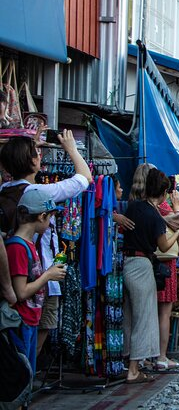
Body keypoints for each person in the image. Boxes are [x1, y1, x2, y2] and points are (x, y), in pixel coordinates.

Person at [0, 130, 91, 353]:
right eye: (36, 154)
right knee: (37, 330)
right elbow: (84, 178)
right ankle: (25, 378)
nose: (40, 156)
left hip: (10, 269)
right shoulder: (38, 192)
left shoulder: (4, 190)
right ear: (32, 161)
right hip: (39, 273)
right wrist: (70, 148)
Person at [122, 167, 179, 384]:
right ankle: (134, 370)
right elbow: (163, 245)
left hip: (126, 263)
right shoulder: (155, 217)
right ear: (163, 194)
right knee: (144, 317)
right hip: (142, 266)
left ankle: (128, 361)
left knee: (129, 316)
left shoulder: (133, 208)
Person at [6, 188, 67, 375]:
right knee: (22, 374)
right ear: (41, 217)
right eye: (49, 218)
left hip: (30, 320)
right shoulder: (18, 247)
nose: (49, 224)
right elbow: (21, 292)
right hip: (21, 321)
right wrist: (48, 276)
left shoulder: (27, 244)